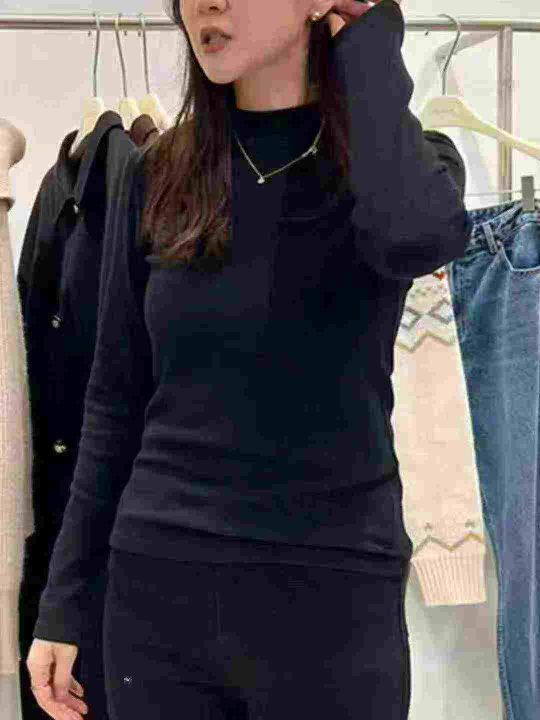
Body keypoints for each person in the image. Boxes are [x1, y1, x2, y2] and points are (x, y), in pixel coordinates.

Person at [26, 1, 472, 719]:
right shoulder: (157, 172)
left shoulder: (400, 166)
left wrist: (368, 35)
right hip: (159, 595)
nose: (206, 3)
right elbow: (113, 399)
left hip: (333, 593)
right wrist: (64, 600)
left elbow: (416, 238)